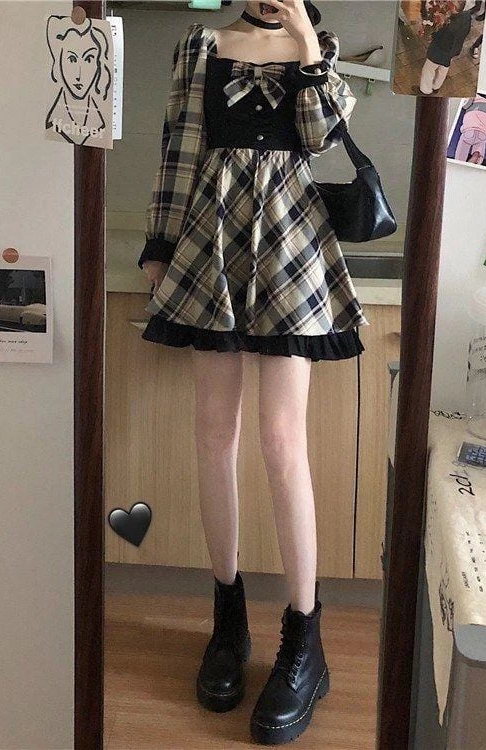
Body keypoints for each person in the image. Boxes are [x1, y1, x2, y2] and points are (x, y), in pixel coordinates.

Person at [137, 0, 367, 744]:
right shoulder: (200, 45)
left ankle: (304, 638)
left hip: (292, 242)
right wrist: (159, 245)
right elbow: (177, 150)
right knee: (214, 436)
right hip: (210, 236)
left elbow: (322, 138)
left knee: (280, 440)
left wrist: (306, 45)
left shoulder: (320, 47)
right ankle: (227, 618)